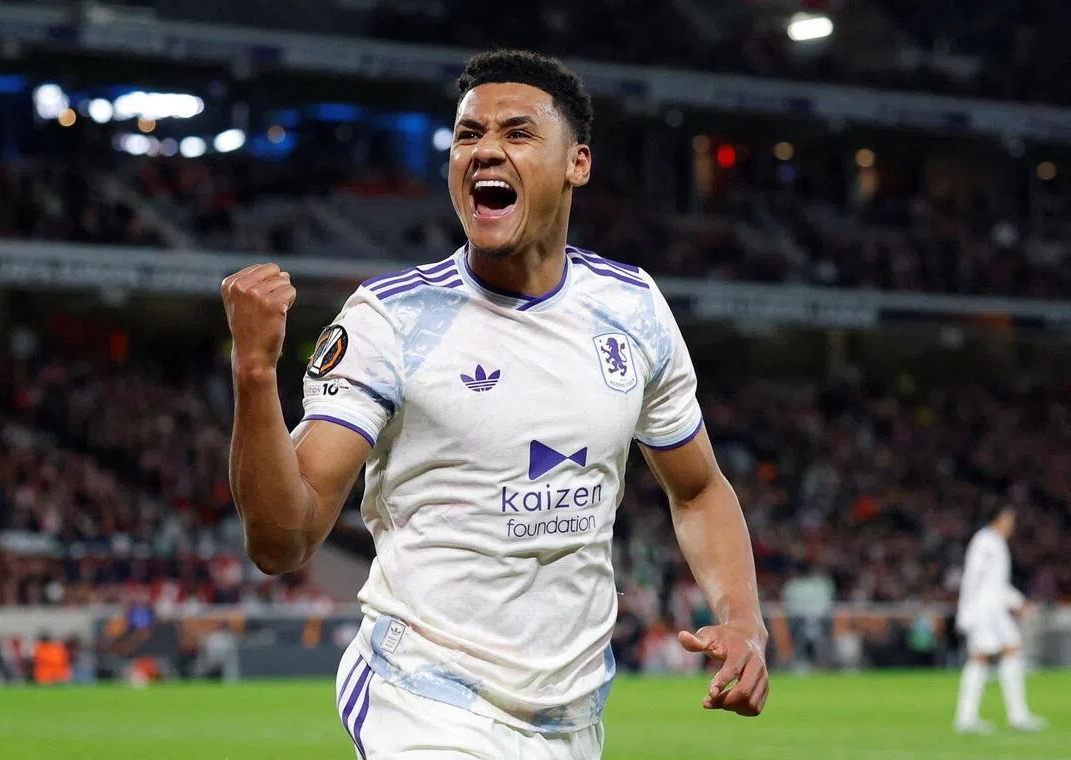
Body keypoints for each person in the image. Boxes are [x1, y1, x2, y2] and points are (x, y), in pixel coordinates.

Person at [221, 49, 769, 759]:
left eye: (517, 133)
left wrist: (743, 621)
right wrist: (254, 372)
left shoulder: (632, 308)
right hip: (422, 704)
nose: (484, 150)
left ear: (577, 163)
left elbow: (697, 490)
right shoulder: (391, 320)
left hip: (570, 721)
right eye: (468, 134)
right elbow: (282, 541)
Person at [953, 505, 1046, 734]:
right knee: (982, 657)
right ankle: (969, 718)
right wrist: (966, 611)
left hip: (994, 610)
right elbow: (972, 578)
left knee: (1007, 651)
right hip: (983, 611)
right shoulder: (984, 541)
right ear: (998, 518)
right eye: (1008, 519)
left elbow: (997, 584)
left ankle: (1015, 715)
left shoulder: (997, 542)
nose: (1011, 524)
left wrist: (1018, 602)